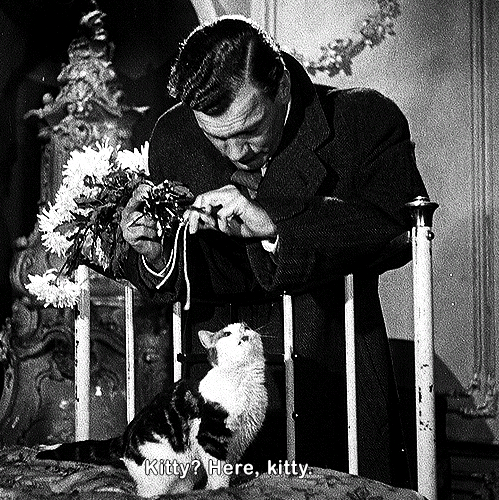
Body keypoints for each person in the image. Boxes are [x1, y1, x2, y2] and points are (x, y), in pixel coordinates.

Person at [118, 15, 427, 487]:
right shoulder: (174, 136)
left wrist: (274, 223)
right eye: (217, 137)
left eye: (250, 129)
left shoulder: (363, 120)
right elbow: (201, 274)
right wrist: (157, 252)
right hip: (221, 408)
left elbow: (401, 230)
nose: (236, 152)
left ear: (281, 86)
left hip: (335, 388)